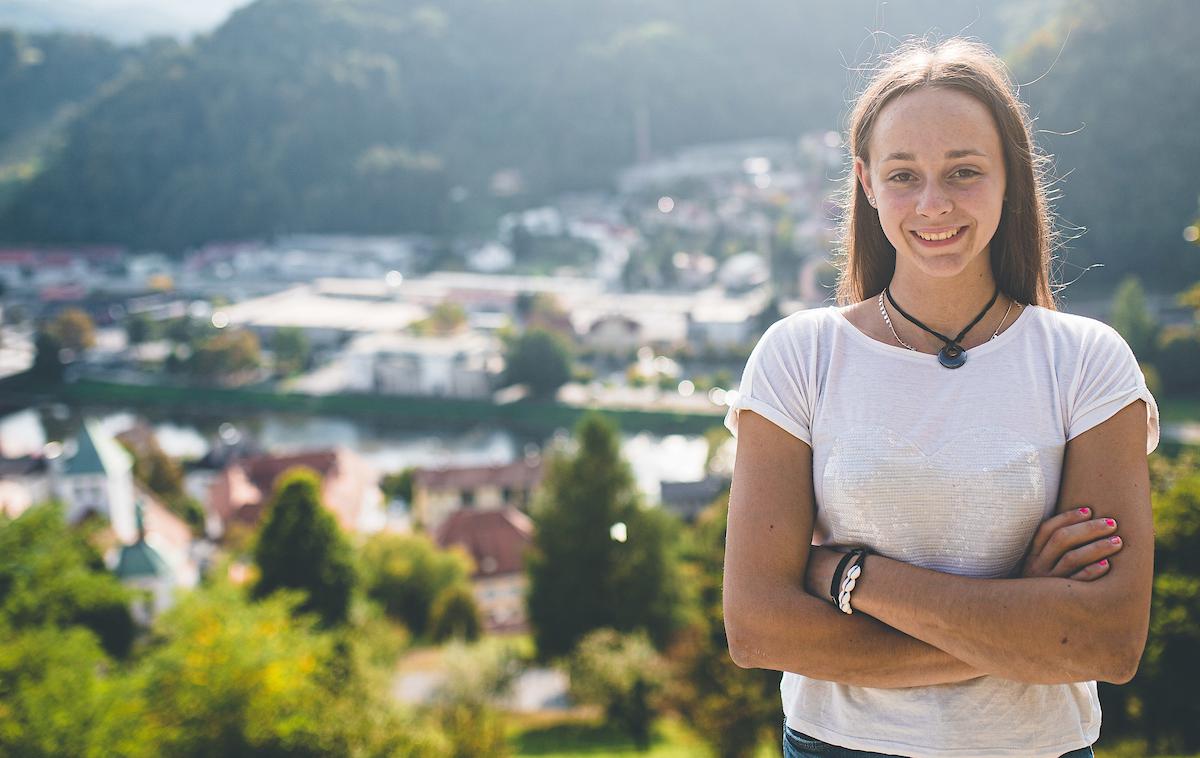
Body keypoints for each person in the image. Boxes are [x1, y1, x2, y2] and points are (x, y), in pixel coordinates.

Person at [721, 37, 1158, 758]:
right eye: (903, 174)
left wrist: (848, 575)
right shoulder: (798, 357)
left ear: (1009, 177)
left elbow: (1107, 643)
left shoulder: (1088, 364)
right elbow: (758, 628)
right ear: (864, 182)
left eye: (963, 171)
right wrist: (1024, 616)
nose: (934, 203)